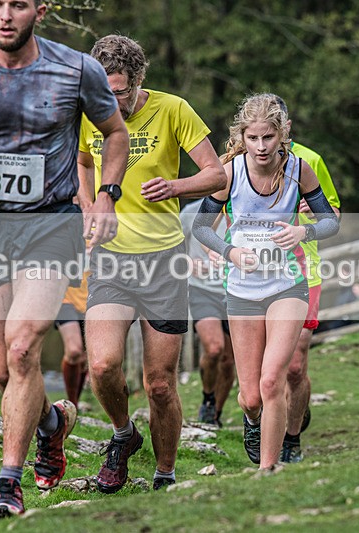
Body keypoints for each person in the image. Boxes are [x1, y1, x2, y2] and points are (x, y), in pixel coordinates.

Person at [0, 0, 129, 520]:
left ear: (39, 9)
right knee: (4, 373)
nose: (6, 15)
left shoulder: (77, 68)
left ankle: (8, 484)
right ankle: (53, 427)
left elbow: (116, 133)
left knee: (23, 345)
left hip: (50, 224)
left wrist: (105, 194)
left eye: (18, 4)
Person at [78, 35, 225, 493]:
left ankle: (165, 475)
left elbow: (217, 175)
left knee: (159, 384)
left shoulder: (173, 109)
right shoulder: (90, 112)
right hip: (111, 260)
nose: (112, 101)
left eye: (119, 91)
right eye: (105, 90)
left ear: (139, 81)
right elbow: (81, 163)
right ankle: (123, 435)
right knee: (101, 366)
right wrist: (88, 206)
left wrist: (176, 187)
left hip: (163, 262)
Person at [193, 93, 339, 470]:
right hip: (242, 290)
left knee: (273, 380)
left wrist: (302, 234)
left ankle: (268, 472)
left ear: (282, 134)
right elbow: (200, 228)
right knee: (251, 396)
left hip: (288, 285)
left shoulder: (300, 170)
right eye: (253, 138)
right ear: (243, 136)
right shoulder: (229, 173)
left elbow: (331, 222)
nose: (261, 147)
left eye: (268, 138)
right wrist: (230, 253)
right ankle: (252, 420)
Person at [274, 97, 341, 464]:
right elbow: (221, 207)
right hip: (255, 272)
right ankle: (265, 420)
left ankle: (292, 437)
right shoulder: (240, 161)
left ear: (287, 124)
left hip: (303, 268)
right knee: (268, 367)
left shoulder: (309, 161)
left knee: (296, 364)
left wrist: (310, 217)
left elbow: (333, 213)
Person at [180, 199, 234, 427]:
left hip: (235, 291)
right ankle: (207, 397)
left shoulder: (239, 211)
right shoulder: (191, 212)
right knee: (214, 349)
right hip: (202, 290)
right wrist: (188, 263)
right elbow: (171, 248)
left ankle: (215, 415)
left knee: (229, 361)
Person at [56, 279, 89, 410]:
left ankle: (74, 403)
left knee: (84, 358)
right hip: (65, 300)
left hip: (93, 299)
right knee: (74, 350)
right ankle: (72, 403)